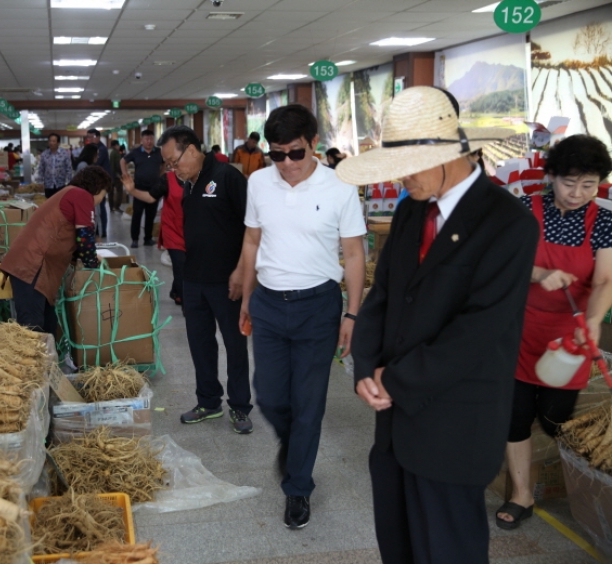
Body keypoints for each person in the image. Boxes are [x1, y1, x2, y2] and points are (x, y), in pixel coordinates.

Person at [336, 86, 538, 564]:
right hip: (393, 423)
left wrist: (395, 379)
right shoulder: (410, 209)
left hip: (453, 425)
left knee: (448, 549)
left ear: (450, 156)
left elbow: (479, 330)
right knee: (398, 544)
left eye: (406, 167)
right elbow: (383, 294)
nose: (399, 180)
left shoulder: (507, 223)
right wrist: (366, 367)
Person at [239, 104, 366, 529]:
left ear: (314, 145)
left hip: (318, 307)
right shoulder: (258, 182)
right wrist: (246, 296)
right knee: (271, 397)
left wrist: (352, 313)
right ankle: (293, 445)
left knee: (308, 403)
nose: (287, 165)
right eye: (277, 155)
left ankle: (298, 488)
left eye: (295, 153)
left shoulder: (340, 187)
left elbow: (353, 254)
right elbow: (252, 242)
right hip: (270, 304)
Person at [496, 135, 612, 530]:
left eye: (588, 184)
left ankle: (564, 479)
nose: (578, 193)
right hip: (519, 329)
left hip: (570, 337)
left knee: (553, 418)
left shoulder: (605, 222)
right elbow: (499, 263)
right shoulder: (524, 210)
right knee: (515, 415)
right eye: (569, 182)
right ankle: (521, 495)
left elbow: (604, 282)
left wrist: (594, 320)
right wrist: (539, 273)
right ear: (551, 177)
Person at [152, 125, 252, 433]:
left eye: (174, 161)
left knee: (234, 344)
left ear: (192, 150)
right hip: (193, 279)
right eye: (168, 164)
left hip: (226, 280)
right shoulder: (189, 183)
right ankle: (208, 402)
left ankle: (240, 406)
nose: (172, 168)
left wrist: (241, 271)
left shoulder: (228, 178)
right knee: (200, 344)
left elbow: (253, 228)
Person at [0, 166, 108, 335]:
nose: (102, 199)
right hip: (32, 265)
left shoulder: (69, 193)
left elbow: (68, 235)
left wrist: (90, 256)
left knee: (48, 325)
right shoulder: (82, 196)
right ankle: (30, 362)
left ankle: (47, 361)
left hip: (31, 263)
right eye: (104, 194)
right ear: (98, 188)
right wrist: (93, 266)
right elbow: (85, 236)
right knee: (32, 328)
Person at [125, 170, 186, 308]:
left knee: (189, 266)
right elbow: (151, 198)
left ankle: (176, 290)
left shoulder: (200, 177)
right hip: (172, 230)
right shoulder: (167, 179)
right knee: (180, 264)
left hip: (192, 230)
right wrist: (133, 190)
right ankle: (186, 304)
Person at [121, 130, 165, 248]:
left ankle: (148, 238)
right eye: (146, 139)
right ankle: (135, 239)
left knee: (151, 215)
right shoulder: (136, 152)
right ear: (142, 140)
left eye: (151, 139)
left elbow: (164, 163)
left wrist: (161, 174)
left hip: (154, 187)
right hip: (139, 187)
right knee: (137, 214)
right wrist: (125, 175)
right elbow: (123, 161)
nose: (149, 141)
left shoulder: (158, 152)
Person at [87, 129, 112, 238]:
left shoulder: (101, 149)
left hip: (101, 182)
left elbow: (95, 163)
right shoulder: (96, 148)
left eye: (91, 137)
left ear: (97, 137)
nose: (89, 140)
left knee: (101, 207)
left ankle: (102, 231)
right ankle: (98, 230)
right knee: (97, 207)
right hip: (97, 181)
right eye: (88, 137)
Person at [37, 133, 74, 199]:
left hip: (61, 184)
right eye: (50, 141)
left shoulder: (64, 154)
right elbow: (41, 169)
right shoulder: (44, 154)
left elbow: (69, 169)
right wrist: (40, 182)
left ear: (58, 143)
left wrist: (70, 182)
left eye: (54, 141)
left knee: (60, 204)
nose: (51, 143)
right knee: (49, 204)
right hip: (48, 185)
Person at [109, 140, 124, 213]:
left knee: (110, 192)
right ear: (116, 145)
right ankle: (117, 206)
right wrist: (122, 173)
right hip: (116, 175)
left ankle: (111, 207)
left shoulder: (110, 152)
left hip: (109, 175)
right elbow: (118, 165)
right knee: (119, 191)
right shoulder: (116, 153)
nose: (119, 146)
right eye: (118, 145)